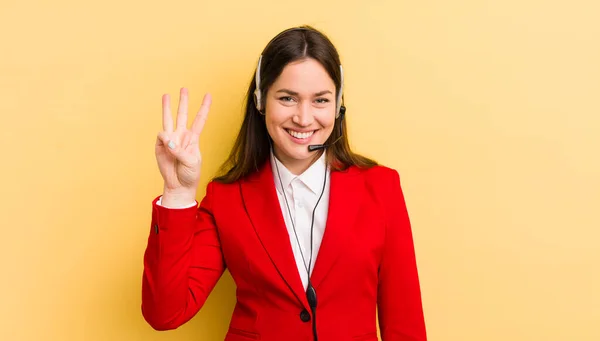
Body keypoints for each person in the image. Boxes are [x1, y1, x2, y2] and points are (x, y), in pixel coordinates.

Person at [141, 25, 427, 341]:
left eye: (320, 100)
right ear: (261, 100)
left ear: (338, 104)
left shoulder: (381, 187)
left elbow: (405, 326)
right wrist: (178, 195)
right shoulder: (226, 198)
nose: (304, 118)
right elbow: (165, 313)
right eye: (288, 98)